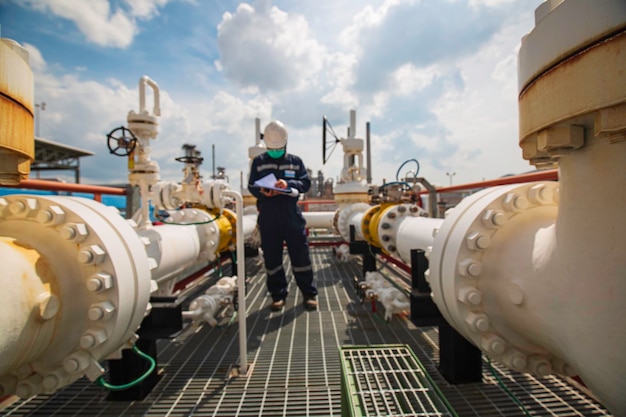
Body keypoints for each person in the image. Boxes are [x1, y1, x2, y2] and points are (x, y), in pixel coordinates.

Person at [248, 120, 318, 311]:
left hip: (290, 214)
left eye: (278, 149)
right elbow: (252, 185)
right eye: (271, 149)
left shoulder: (295, 162)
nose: (275, 152)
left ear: (286, 143)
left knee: (301, 255)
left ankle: (309, 294)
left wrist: (288, 185)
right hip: (269, 215)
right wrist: (263, 191)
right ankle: (278, 295)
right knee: (272, 258)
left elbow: (305, 183)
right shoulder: (259, 162)